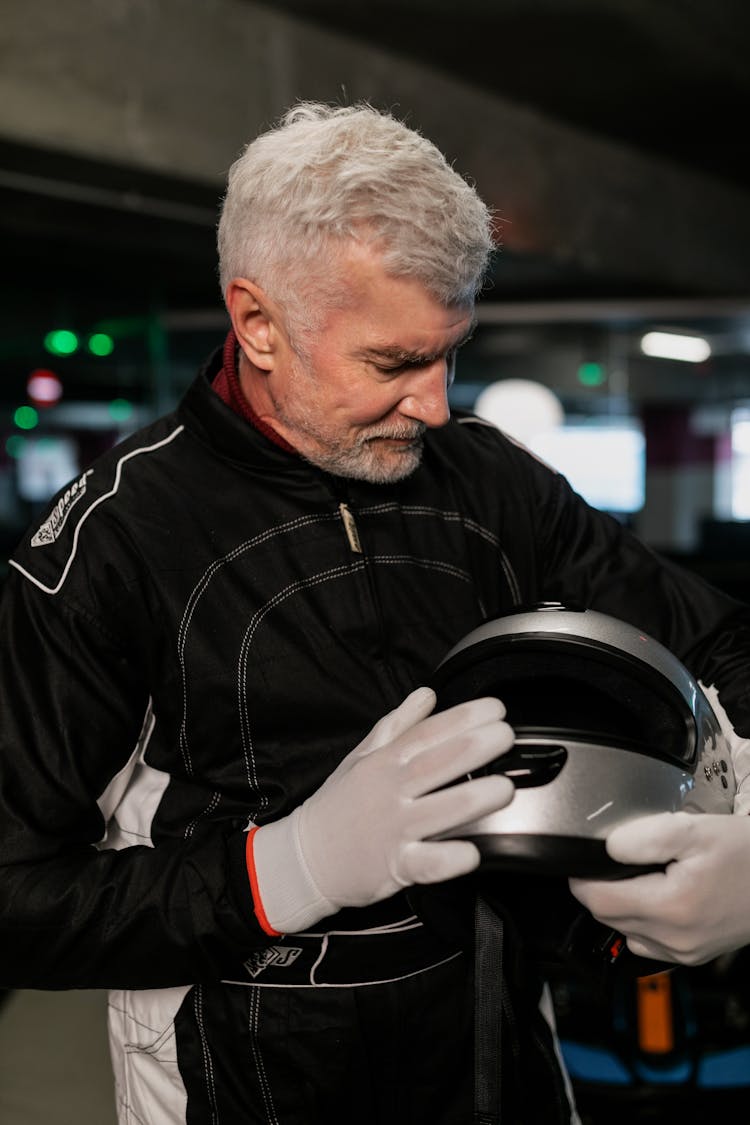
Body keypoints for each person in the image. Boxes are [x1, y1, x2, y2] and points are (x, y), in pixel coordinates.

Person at [0, 101, 749, 1125]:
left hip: (505, 1069)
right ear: (259, 324)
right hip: (244, 1087)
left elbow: (720, 644)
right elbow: (14, 898)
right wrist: (288, 868)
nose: (438, 404)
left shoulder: (489, 483)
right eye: (394, 365)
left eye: (450, 354)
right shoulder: (120, 542)